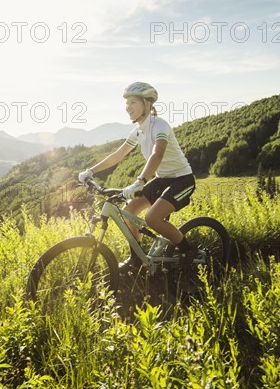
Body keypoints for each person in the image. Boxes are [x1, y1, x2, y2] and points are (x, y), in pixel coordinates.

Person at [78, 81, 197, 274]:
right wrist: (91, 171)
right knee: (129, 212)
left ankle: (188, 250)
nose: (128, 107)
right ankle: (136, 259)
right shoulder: (138, 130)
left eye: (133, 102)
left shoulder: (160, 126)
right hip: (163, 178)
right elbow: (118, 154)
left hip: (182, 179)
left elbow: (157, 154)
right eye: (127, 103)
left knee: (152, 218)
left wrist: (140, 181)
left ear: (147, 104)